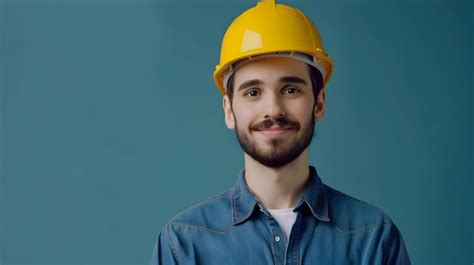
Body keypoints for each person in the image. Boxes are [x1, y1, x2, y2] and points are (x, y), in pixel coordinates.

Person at [149, 0, 411, 264]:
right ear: (229, 111)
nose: (273, 110)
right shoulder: (183, 244)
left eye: (291, 90)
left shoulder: (373, 239)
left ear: (319, 103)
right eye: (253, 92)